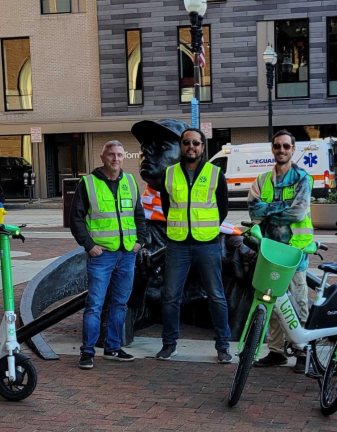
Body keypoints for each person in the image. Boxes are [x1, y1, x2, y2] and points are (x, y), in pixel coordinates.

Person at [69, 140, 147, 369]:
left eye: (119, 155)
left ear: (124, 158)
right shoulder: (89, 183)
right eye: (111, 155)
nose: (115, 159)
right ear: (103, 158)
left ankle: (113, 347)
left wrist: (140, 242)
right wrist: (89, 245)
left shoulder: (131, 181)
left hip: (127, 254)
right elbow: (76, 219)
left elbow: (139, 216)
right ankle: (87, 352)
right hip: (101, 255)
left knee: (120, 304)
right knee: (94, 304)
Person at [157, 128, 232, 363]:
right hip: (177, 245)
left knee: (216, 296)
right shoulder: (168, 174)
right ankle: (169, 344)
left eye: (196, 143)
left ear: (202, 147)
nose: (191, 146)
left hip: (207, 244)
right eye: (186, 142)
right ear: (181, 146)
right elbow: (166, 208)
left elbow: (222, 209)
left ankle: (222, 346)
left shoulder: (215, 173)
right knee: (170, 296)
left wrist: (205, 229)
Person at [248, 130, 314, 373]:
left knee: (297, 303)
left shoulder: (302, 178)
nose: (282, 150)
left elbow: (298, 213)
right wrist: (283, 207)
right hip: (270, 252)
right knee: (272, 302)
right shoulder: (263, 180)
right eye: (277, 146)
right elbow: (253, 212)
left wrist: (268, 210)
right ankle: (276, 352)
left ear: (293, 149)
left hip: (294, 253)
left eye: (286, 146)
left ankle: (302, 351)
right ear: (272, 149)